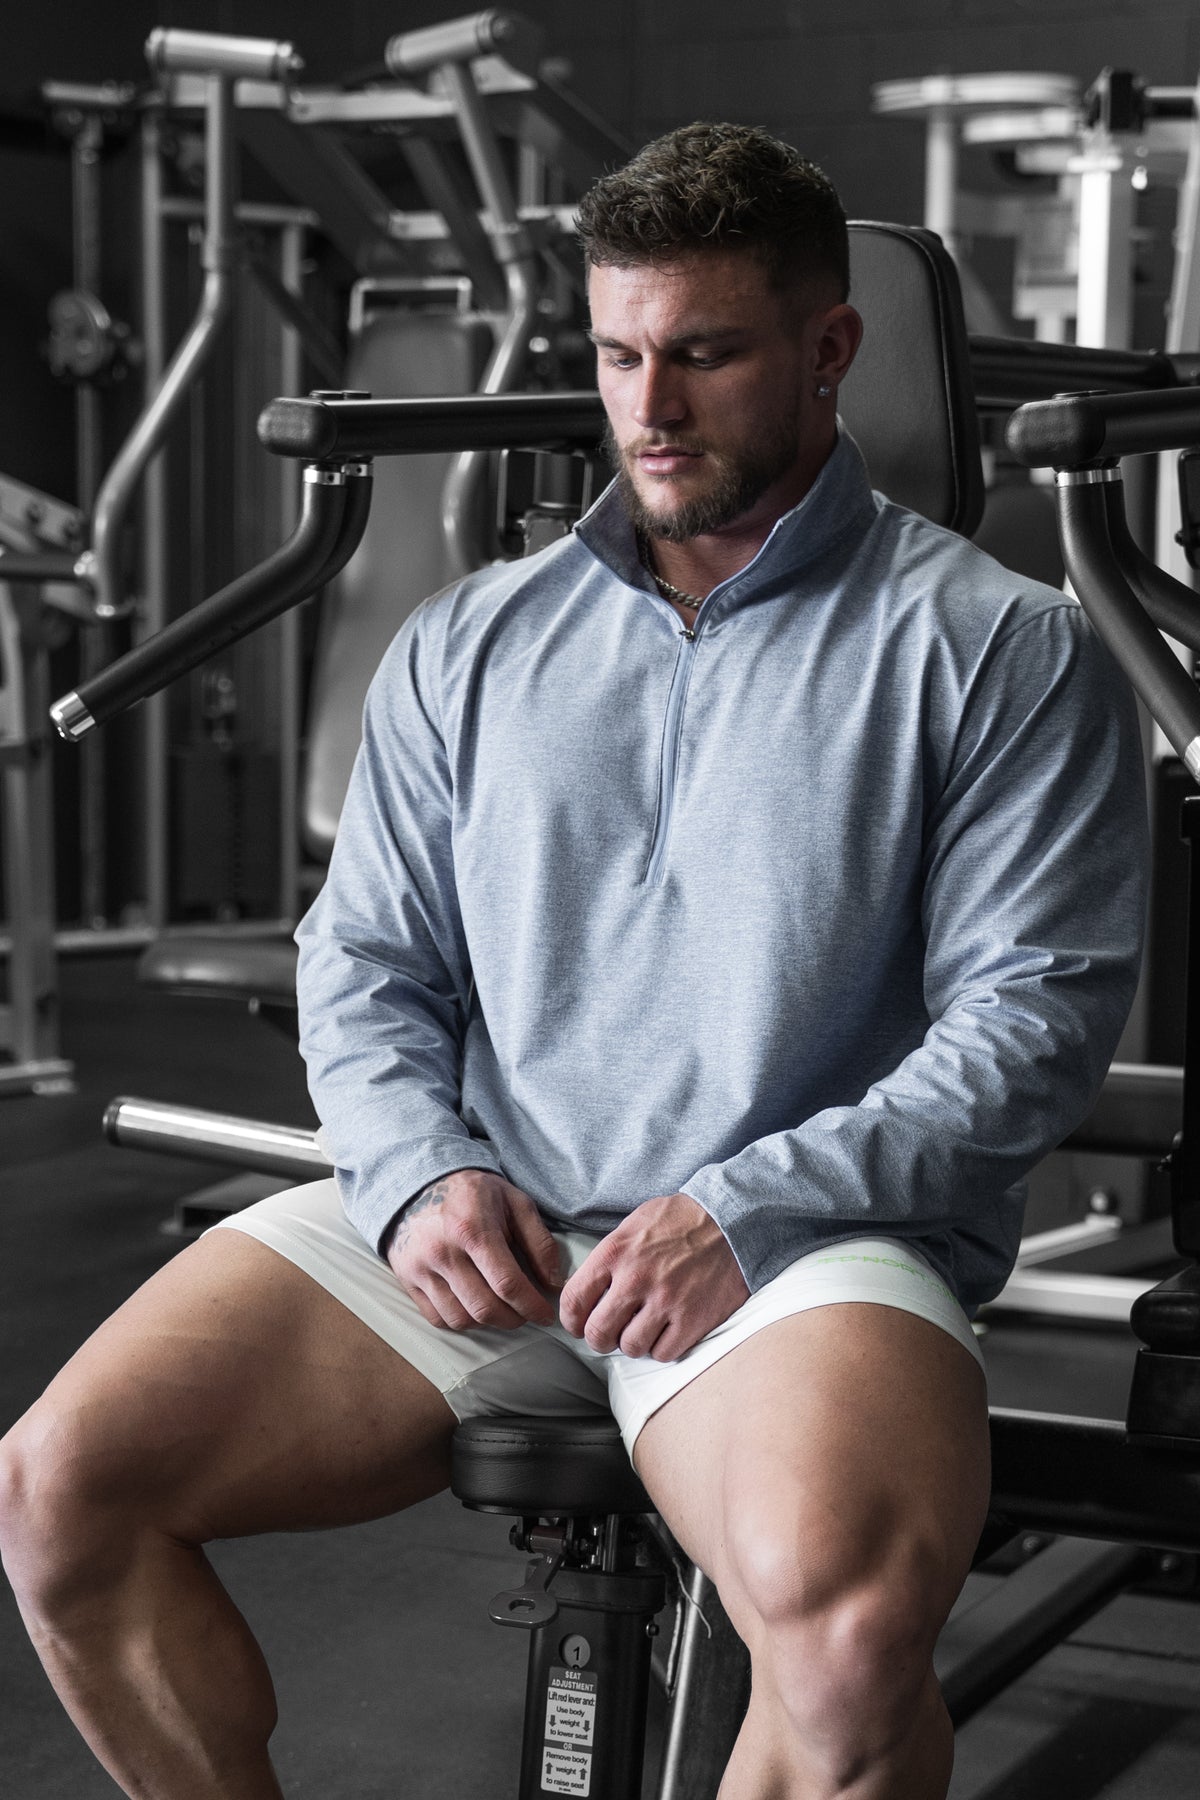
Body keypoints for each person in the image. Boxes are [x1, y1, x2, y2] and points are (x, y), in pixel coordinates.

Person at [1, 122, 1146, 1800]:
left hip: (803, 1247)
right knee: (58, 1489)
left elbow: (1030, 1022)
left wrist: (742, 1209)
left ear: (830, 348)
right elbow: (365, 959)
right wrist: (418, 1172)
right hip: (498, 1218)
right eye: (617, 354)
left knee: (842, 1649)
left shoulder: (999, 648)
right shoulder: (470, 639)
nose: (647, 408)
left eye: (704, 354)